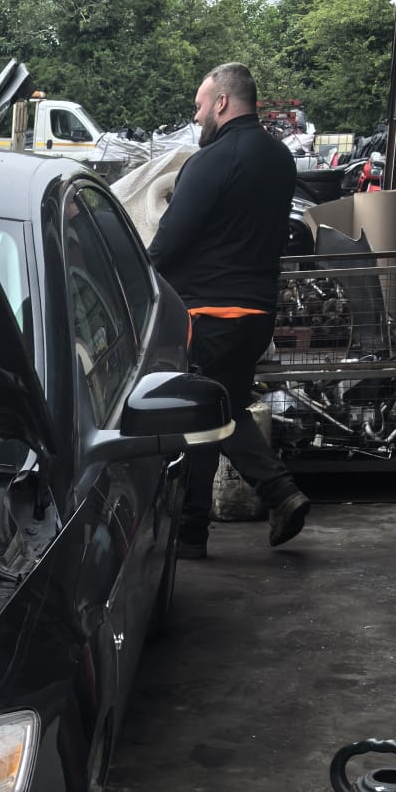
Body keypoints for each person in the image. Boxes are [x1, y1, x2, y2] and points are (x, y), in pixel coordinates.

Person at [147, 62, 310, 556]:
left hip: (210, 314)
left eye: (200, 107)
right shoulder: (279, 158)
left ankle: (266, 496)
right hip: (257, 314)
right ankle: (199, 529)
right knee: (222, 411)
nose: (196, 117)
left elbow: (171, 239)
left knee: (203, 417)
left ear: (221, 102)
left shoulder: (210, 162)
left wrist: (138, 278)